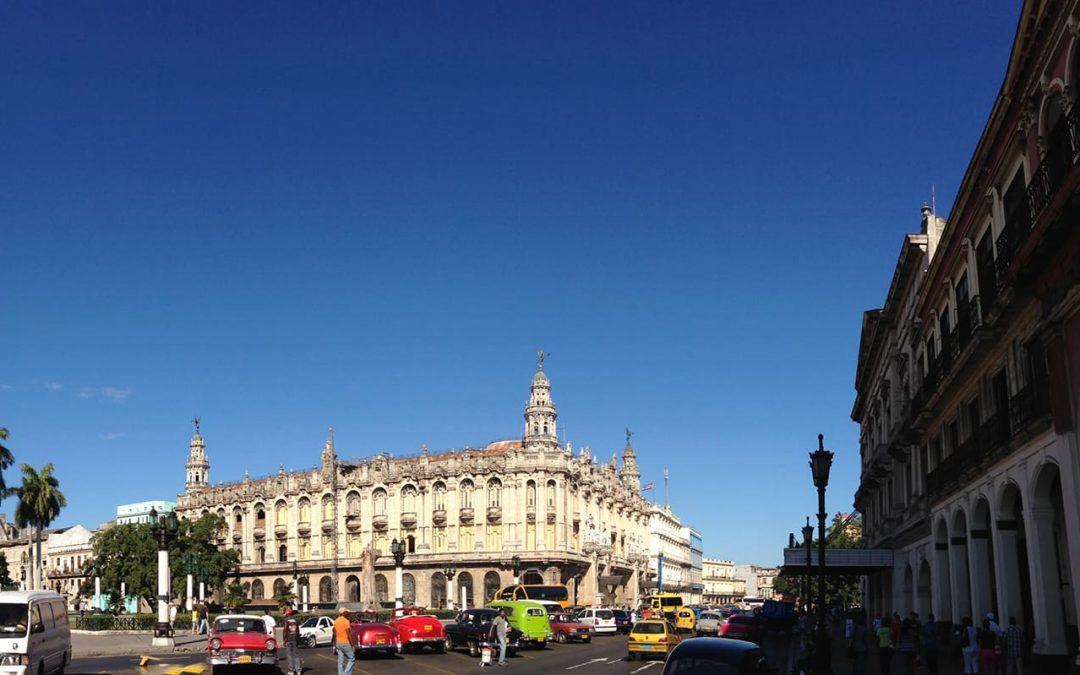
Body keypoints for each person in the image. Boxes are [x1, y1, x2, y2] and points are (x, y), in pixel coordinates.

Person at [333, 607, 357, 675]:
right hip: (345, 642)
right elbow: (348, 633)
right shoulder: (346, 621)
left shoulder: (336, 621)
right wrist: (352, 645)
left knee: (340, 661)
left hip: (338, 642)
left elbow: (334, 632)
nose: (348, 613)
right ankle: (346, 674)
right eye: (347, 612)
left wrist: (335, 643)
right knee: (352, 658)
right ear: (344, 613)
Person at [283, 608, 302, 675]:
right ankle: (298, 670)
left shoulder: (286, 620)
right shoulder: (296, 620)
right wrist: (298, 638)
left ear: (287, 613)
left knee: (289, 655)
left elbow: (285, 630)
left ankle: (291, 670)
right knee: (296, 655)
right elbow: (298, 630)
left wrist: (284, 639)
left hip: (288, 639)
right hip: (295, 639)